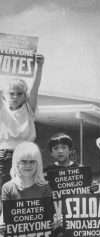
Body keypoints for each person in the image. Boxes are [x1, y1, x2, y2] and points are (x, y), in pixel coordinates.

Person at [0, 141, 57, 237]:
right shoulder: (8, 187)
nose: (28, 165)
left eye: (32, 162)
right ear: (16, 163)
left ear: (38, 164)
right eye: (23, 161)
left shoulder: (45, 187)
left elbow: (50, 214)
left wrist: (54, 221)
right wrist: (2, 222)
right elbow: (5, 213)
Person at [0, 54, 44, 191]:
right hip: (4, 154)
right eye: (11, 93)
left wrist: (40, 66)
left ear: (25, 96)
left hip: (26, 155)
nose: (15, 96)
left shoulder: (28, 108)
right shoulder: (2, 108)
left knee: (24, 191)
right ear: (4, 95)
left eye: (19, 94)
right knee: (3, 190)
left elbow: (35, 87)